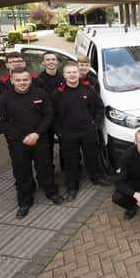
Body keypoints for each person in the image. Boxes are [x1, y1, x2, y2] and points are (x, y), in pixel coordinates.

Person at [0, 68, 64, 218]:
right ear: (12, 80)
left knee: (45, 168)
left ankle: (51, 193)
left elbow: (48, 115)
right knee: (22, 173)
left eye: (25, 80)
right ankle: (24, 201)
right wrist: (21, 137)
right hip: (18, 143)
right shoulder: (4, 99)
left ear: (30, 79)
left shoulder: (40, 94)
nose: (22, 83)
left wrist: (37, 133)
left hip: (40, 140)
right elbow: (2, 123)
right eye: (18, 80)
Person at [51, 62, 111, 202]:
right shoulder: (57, 94)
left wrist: (94, 125)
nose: (72, 75)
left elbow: (99, 108)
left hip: (88, 131)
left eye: (74, 72)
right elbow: (52, 115)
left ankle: (96, 178)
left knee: (92, 156)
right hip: (68, 135)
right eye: (69, 72)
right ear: (64, 75)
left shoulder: (88, 89)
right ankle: (72, 187)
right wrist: (60, 132)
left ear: (79, 74)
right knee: (71, 161)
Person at [0, 52, 37, 131]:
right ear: (7, 65)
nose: (17, 64)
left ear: (24, 63)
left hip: (38, 130)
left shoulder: (36, 80)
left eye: (20, 61)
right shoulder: (0, 85)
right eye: (13, 62)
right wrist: (1, 129)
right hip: (14, 131)